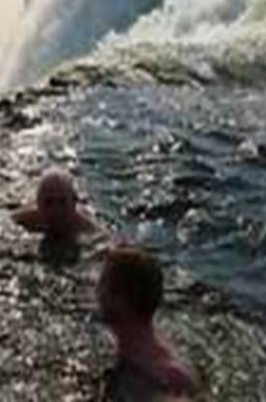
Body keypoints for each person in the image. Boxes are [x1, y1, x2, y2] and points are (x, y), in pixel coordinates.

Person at [96, 245, 197, 399]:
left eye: (102, 285)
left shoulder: (166, 377)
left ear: (121, 298)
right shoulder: (121, 351)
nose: (97, 294)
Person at [12, 168, 96, 244]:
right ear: (38, 204)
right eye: (48, 202)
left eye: (62, 202)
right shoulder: (30, 217)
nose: (56, 210)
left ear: (74, 204)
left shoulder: (83, 225)